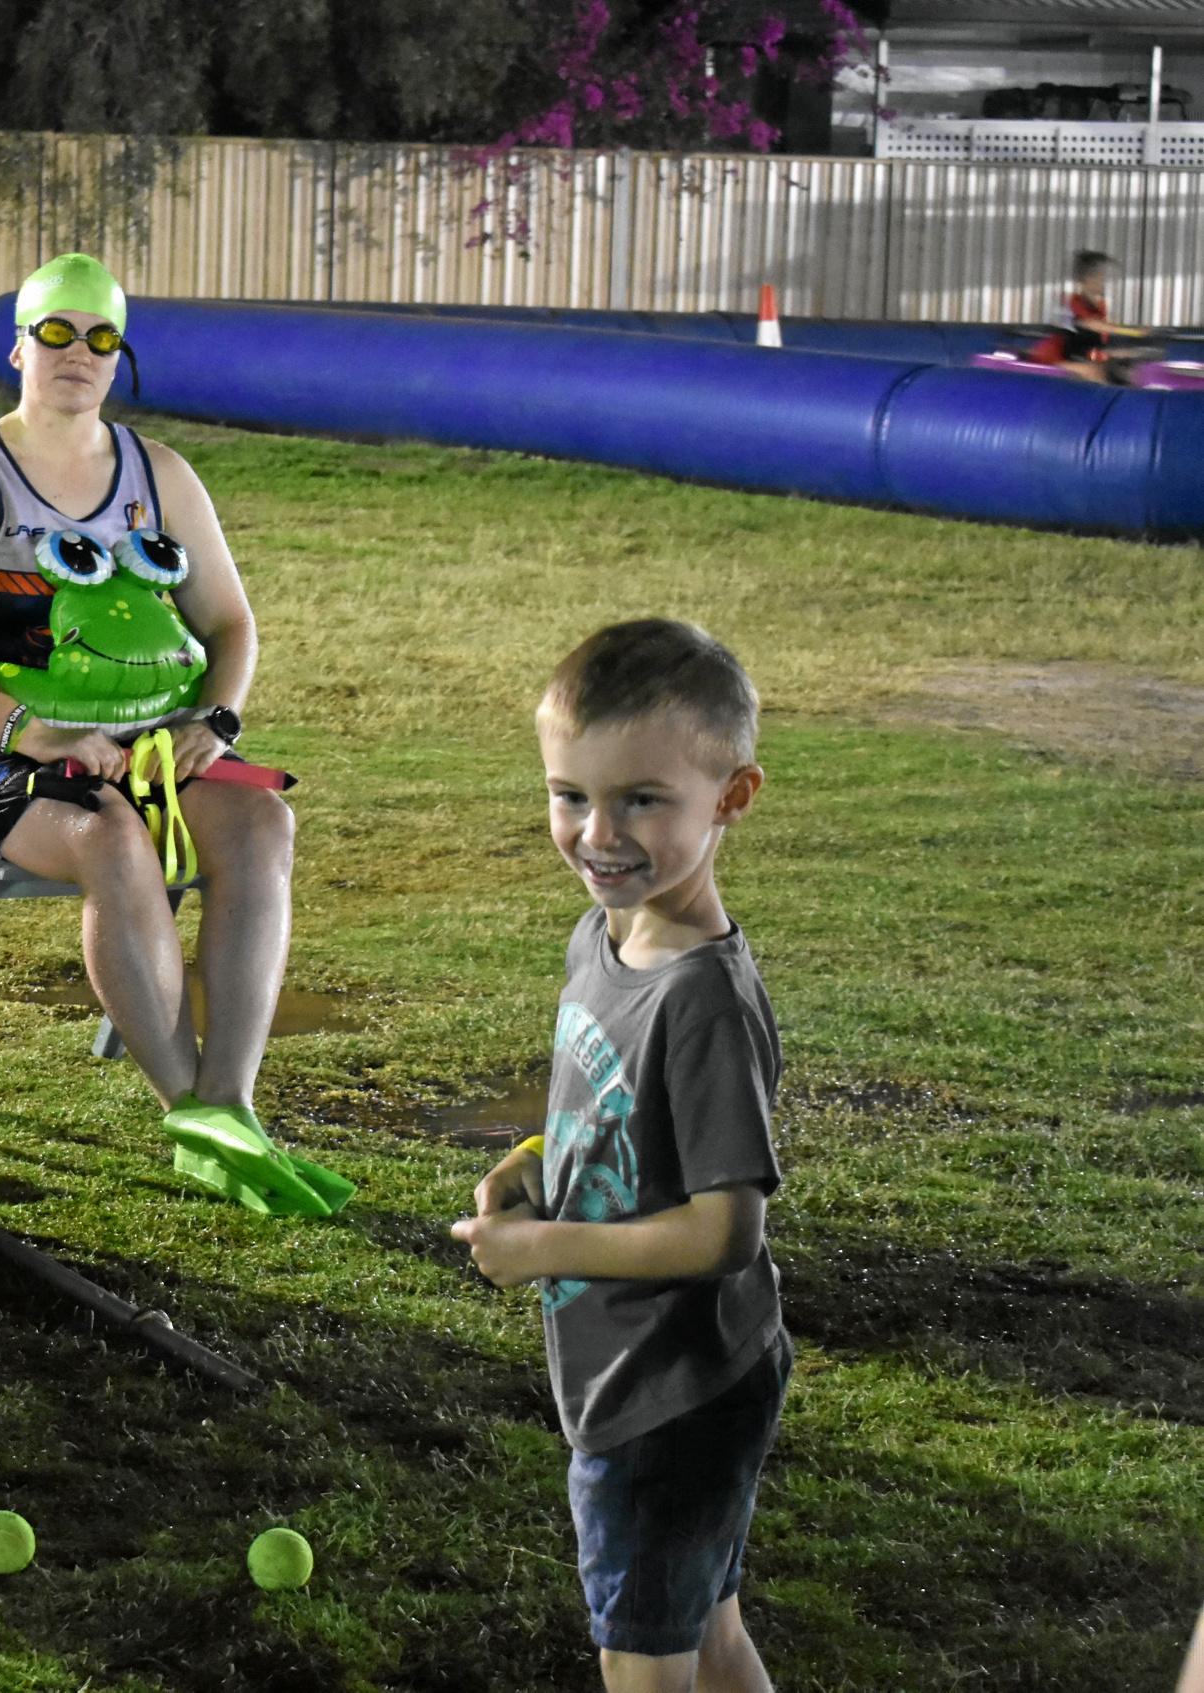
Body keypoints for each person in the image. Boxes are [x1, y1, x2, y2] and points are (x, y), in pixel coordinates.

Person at [0, 253, 346, 1218]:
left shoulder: (157, 473)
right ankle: (189, 1111)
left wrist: (214, 718)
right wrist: (29, 730)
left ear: (117, 355)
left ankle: (231, 1106)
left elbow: (231, 625)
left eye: (99, 337)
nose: (76, 354)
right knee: (111, 837)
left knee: (262, 826)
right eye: (55, 333)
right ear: (17, 347)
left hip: (149, 741)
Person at [451, 619, 787, 1692]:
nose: (599, 831)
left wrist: (545, 1244)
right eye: (570, 795)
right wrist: (542, 1158)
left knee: (645, 1660)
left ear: (731, 796)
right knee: (709, 1629)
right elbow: (624, 1110)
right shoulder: (606, 937)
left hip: (672, 1387)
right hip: (652, 1371)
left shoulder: (700, 999)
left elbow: (728, 1227)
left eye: (643, 798)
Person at [1026, 248, 1148, 382]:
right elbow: (1093, 325)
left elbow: (1096, 345)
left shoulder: (1100, 307)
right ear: (1088, 279)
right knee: (1094, 372)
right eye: (1102, 277)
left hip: (1077, 356)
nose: (1106, 282)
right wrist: (1133, 332)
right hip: (1054, 357)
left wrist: (1127, 353)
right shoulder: (1073, 302)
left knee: (1126, 372)